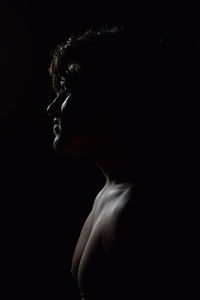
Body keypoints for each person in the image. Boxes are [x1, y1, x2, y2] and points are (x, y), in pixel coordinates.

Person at [46, 25, 188, 299]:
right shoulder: (112, 190)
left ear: (115, 97)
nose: (52, 108)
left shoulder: (140, 208)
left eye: (68, 89)